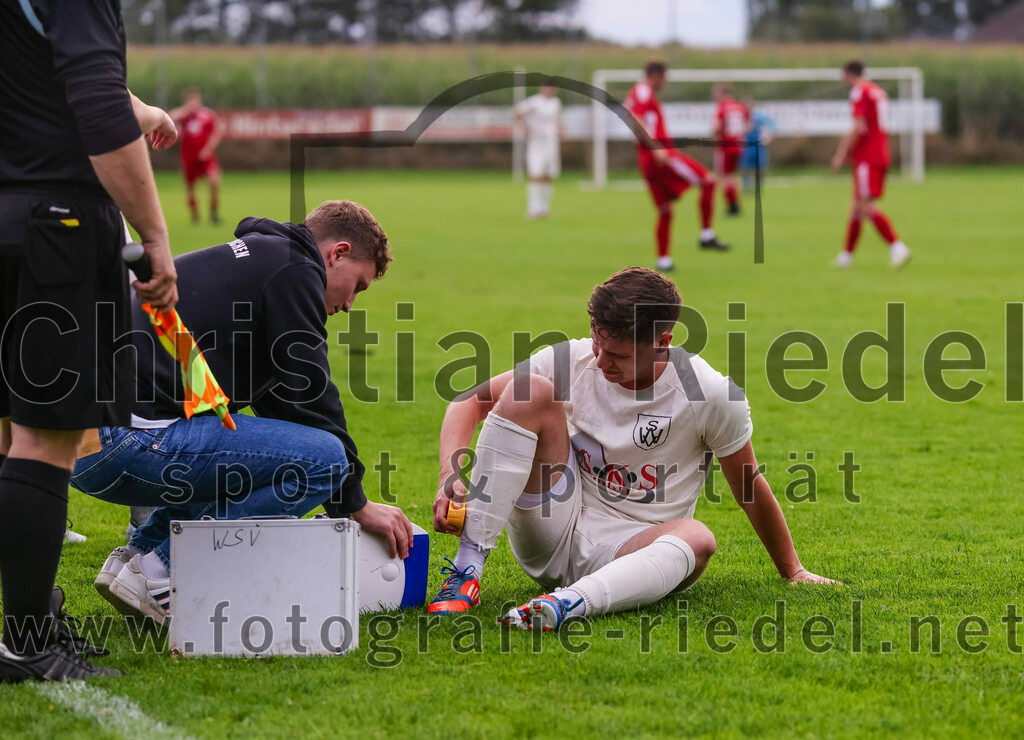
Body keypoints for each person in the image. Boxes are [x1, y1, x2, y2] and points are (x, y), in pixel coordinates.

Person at [428, 268, 839, 629]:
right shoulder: (572, 359)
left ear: (663, 341)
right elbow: (469, 400)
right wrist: (451, 476)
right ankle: (467, 570)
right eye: (597, 344)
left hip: (631, 551)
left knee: (698, 538)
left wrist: (793, 571)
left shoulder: (710, 394)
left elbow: (748, 485)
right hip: (551, 527)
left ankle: (562, 605)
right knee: (528, 392)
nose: (601, 361)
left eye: (618, 355)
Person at [70, 200, 413, 625]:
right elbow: (313, 394)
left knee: (265, 452)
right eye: (358, 286)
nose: (349, 305)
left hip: (75, 442)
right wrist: (354, 502)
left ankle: (135, 561)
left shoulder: (266, 258)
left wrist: (349, 496)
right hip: (125, 440)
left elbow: (284, 408)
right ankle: (165, 571)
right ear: (337, 253)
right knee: (326, 462)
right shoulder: (295, 269)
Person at [0, 0, 178, 682]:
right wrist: (154, 237)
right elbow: (95, 104)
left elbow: (46, 76)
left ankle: (34, 619)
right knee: (45, 439)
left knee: (10, 435)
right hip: (59, 227)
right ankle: (26, 644)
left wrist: (144, 109)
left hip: (9, 219)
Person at [625, 61, 729, 274]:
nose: (666, 81)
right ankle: (706, 235)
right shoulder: (643, 90)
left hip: (646, 161)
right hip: (661, 155)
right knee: (709, 180)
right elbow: (636, 118)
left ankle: (663, 261)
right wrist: (654, 147)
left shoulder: (638, 92)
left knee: (665, 211)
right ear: (656, 76)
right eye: (665, 76)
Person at [831, 60, 911, 269]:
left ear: (849, 74)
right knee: (856, 207)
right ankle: (846, 257)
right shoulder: (878, 91)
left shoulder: (860, 91)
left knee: (865, 206)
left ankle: (898, 247)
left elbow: (858, 126)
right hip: (878, 153)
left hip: (868, 157)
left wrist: (841, 153)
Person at [169, 88, 222, 225]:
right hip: (189, 157)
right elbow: (169, 117)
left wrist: (208, 149)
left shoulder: (208, 115)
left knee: (214, 182)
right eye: (190, 102)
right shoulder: (185, 116)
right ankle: (195, 216)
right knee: (190, 187)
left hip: (206, 156)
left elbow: (216, 133)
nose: (194, 104)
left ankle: (214, 214)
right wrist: (184, 110)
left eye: (195, 101)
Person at [513, 77, 563, 219]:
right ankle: (533, 209)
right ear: (541, 88)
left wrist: (560, 130)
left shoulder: (556, 103)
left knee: (548, 176)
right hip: (537, 142)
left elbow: (557, 121)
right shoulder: (534, 102)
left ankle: (545, 209)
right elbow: (516, 112)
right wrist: (526, 127)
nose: (549, 90)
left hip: (551, 142)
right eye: (547, 87)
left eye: (552, 87)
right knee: (535, 174)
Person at [712, 83, 751, 216]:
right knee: (732, 176)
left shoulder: (722, 107)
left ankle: (732, 206)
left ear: (721, 93)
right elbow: (748, 125)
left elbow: (716, 127)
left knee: (725, 177)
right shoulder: (739, 106)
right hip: (739, 146)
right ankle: (735, 204)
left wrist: (715, 134)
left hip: (726, 146)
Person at [740, 101, 776, 190]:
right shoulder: (741, 117)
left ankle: (759, 186)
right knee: (745, 167)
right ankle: (746, 186)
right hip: (747, 146)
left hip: (758, 146)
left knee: (760, 166)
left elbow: (771, 126)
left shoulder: (759, 116)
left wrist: (768, 137)